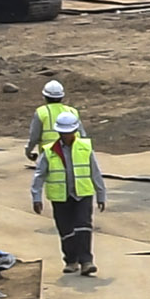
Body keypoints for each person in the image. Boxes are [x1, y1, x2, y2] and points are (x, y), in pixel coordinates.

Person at [43, 106, 103, 277]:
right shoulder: (50, 151)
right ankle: (71, 260)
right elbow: (40, 174)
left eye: (69, 132)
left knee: (83, 226)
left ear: (75, 130)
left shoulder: (84, 147)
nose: (67, 136)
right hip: (60, 195)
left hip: (82, 193)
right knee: (66, 229)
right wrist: (35, 196)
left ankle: (86, 261)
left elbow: (95, 171)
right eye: (64, 133)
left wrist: (101, 193)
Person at [28, 78, 70, 220]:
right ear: (62, 96)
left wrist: (28, 151)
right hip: (71, 153)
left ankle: (61, 213)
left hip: (49, 155)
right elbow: (81, 134)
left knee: (50, 181)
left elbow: (34, 136)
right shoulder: (71, 111)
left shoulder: (41, 112)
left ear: (45, 97)